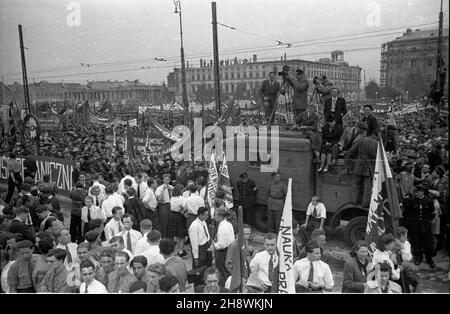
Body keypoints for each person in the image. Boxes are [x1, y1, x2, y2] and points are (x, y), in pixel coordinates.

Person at [345, 122, 378, 207]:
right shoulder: (377, 144)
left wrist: (348, 166)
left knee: (356, 184)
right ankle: (365, 204)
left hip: (359, 166)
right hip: (369, 168)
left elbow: (350, 153)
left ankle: (353, 202)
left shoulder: (361, 140)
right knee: (367, 187)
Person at [403, 184, 436, 268]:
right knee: (416, 243)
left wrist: (427, 222)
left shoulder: (429, 201)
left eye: (417, 192)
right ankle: (418, 258)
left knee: (428, 244)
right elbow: (409, 212)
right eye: (414, 192)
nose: (415, 194)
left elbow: (432, 213)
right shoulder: (412, 201)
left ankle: (429, 259)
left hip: (425, 226)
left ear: (422, 192)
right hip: (415, 225)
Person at [213, 207, 235, 287]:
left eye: (215, 215)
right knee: (227, 270)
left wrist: (214, 245)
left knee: (221, 271)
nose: (214, 217)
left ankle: (223, 287)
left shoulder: (222, 227)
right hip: (229, 250)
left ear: (220, 216)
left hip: (222, 252)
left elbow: (221, 245)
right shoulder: (228, 224)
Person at [396, 226, 419, 292]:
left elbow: (407, 258)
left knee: (414, 282)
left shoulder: (406, 244)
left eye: (406, 236)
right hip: (396, 268)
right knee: (402, 285)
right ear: (399, 236)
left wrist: (402, 247)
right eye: (404, 237)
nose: (406, 238)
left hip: (404, 268)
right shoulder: (393, 243)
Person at [169, 184, 187, 257]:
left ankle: (178, 250)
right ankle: (181, 250)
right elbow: (184, 207)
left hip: (173, 216)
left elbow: (172, 207)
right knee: (182, 235)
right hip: (180, 217)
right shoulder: (182, 198)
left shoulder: (172, 198)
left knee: (176, 234)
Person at [155, 174, 173, 238]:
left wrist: (172, 190)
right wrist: (163, 190)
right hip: (163, 205)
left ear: (170, 180)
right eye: (165, 180)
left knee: (170, 222)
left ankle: (170, 238)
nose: (166, 181)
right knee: (164, 222)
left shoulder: (171, 187)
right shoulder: (159, 188)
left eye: (168, 180)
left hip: (170, 205)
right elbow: (159, 198)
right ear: (163, 180)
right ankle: (164, 237)